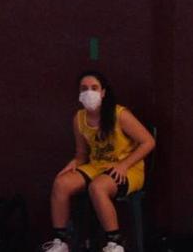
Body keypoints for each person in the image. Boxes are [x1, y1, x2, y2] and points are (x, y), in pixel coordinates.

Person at [41, 71, 155, 252]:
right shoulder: (79, 119)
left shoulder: (120, 114)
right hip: (96, 166)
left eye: (94, 88)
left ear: (103, 92)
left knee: (98, 187)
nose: (89, 92)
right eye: (84, 88)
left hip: (128, 168)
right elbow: (81, 153)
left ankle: (115, 243)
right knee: (61, 183)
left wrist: (124, 165)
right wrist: (74, 163)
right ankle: (61, 242)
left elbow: (148, 142)